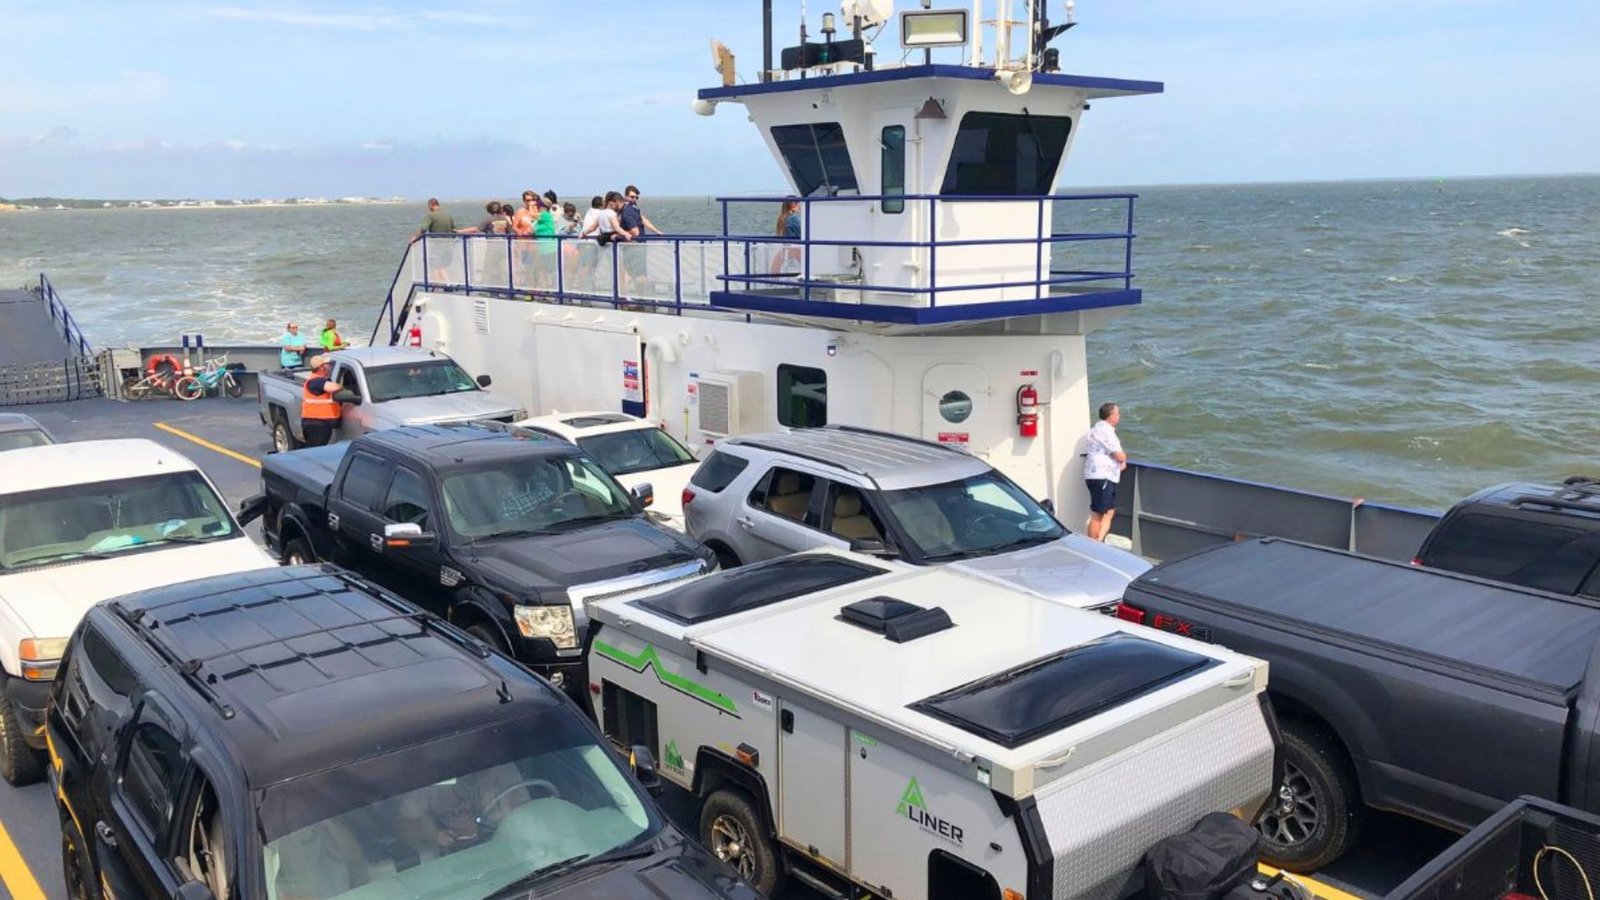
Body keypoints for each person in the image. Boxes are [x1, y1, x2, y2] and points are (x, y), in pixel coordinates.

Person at [1083, 402, 1127, 541]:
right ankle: (1093, 544)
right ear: (1111, 416)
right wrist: (1123, 458)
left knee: (1109, 511)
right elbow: (1119, 455)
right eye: (1117, 413)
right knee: (1098, 513)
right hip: (1102, 475)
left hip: (1101, 475)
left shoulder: (1095, 430)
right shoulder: (1105, 431)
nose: (1119, 416)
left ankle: (1099, 540)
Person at [301, 355, 343, 448]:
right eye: (327, 364)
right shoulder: (316, 381)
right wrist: (342, 386)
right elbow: (334, 387)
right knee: (314, 453)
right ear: (321, 367)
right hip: (316, 425)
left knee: (315, 451)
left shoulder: (317, 380)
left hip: (318, 424)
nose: (329, 366)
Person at [413, 198, 457, 282]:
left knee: (435, 266)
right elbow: (454, 231)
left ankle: (439, 285)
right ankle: (445, 284)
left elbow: (423, 229)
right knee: (442, 266)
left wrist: (415, 238)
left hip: (437, 246)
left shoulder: (431, 215)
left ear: (430, 205)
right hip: (449, 246)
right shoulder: (448, 216)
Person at [770, 198, 802, 274]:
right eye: (798, 203)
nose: (800, 205)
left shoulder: (782, 218)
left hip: (786, 248)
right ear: (793, 205)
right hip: (795, 248)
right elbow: (803, 233)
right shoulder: (793, 219)